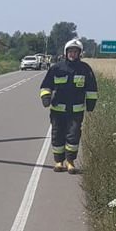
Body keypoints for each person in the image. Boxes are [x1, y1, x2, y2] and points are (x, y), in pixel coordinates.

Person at [39, 39, 98, 174]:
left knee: (73, 137)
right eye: (70, 51)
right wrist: (46, 97)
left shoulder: (85, 69)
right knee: (57, 136)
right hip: (57, 110)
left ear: (79, 53)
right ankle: (59, 162)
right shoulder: (56, 68)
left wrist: (91, 104)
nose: (72, 54)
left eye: (75, 51)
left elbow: (92, 88)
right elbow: (46, 85)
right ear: (66, 53)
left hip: (76, 111)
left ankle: (70, 162)